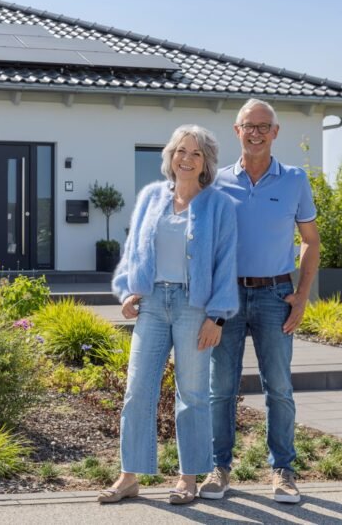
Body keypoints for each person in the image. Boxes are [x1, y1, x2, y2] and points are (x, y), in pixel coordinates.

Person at [101, 124, 238, 505]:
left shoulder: (219, 205)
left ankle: (187, 478)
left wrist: (217, 317)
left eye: (196, 153)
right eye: (180, 151)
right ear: (170, 156)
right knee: (137, 390)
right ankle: (129, 476)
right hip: (152, 304)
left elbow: (226, 262)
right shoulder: (151, 197)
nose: (186, 159)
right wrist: (130, 290)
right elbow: (135, 249)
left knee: (192, 394)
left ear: (206, 163)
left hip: (194, 307)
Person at [202, 98, 321, 504]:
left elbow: (310, 241)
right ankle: (218, 468)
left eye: (263, 126)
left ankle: (283, 471)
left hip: (275, 295)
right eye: (248, 126)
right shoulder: (216, 181)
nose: (255, 133)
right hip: (226, 298)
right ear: (236, 131)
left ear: (275, 132)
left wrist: (302, 296)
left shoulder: (294, 180)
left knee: (279, 387)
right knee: (221, 387)